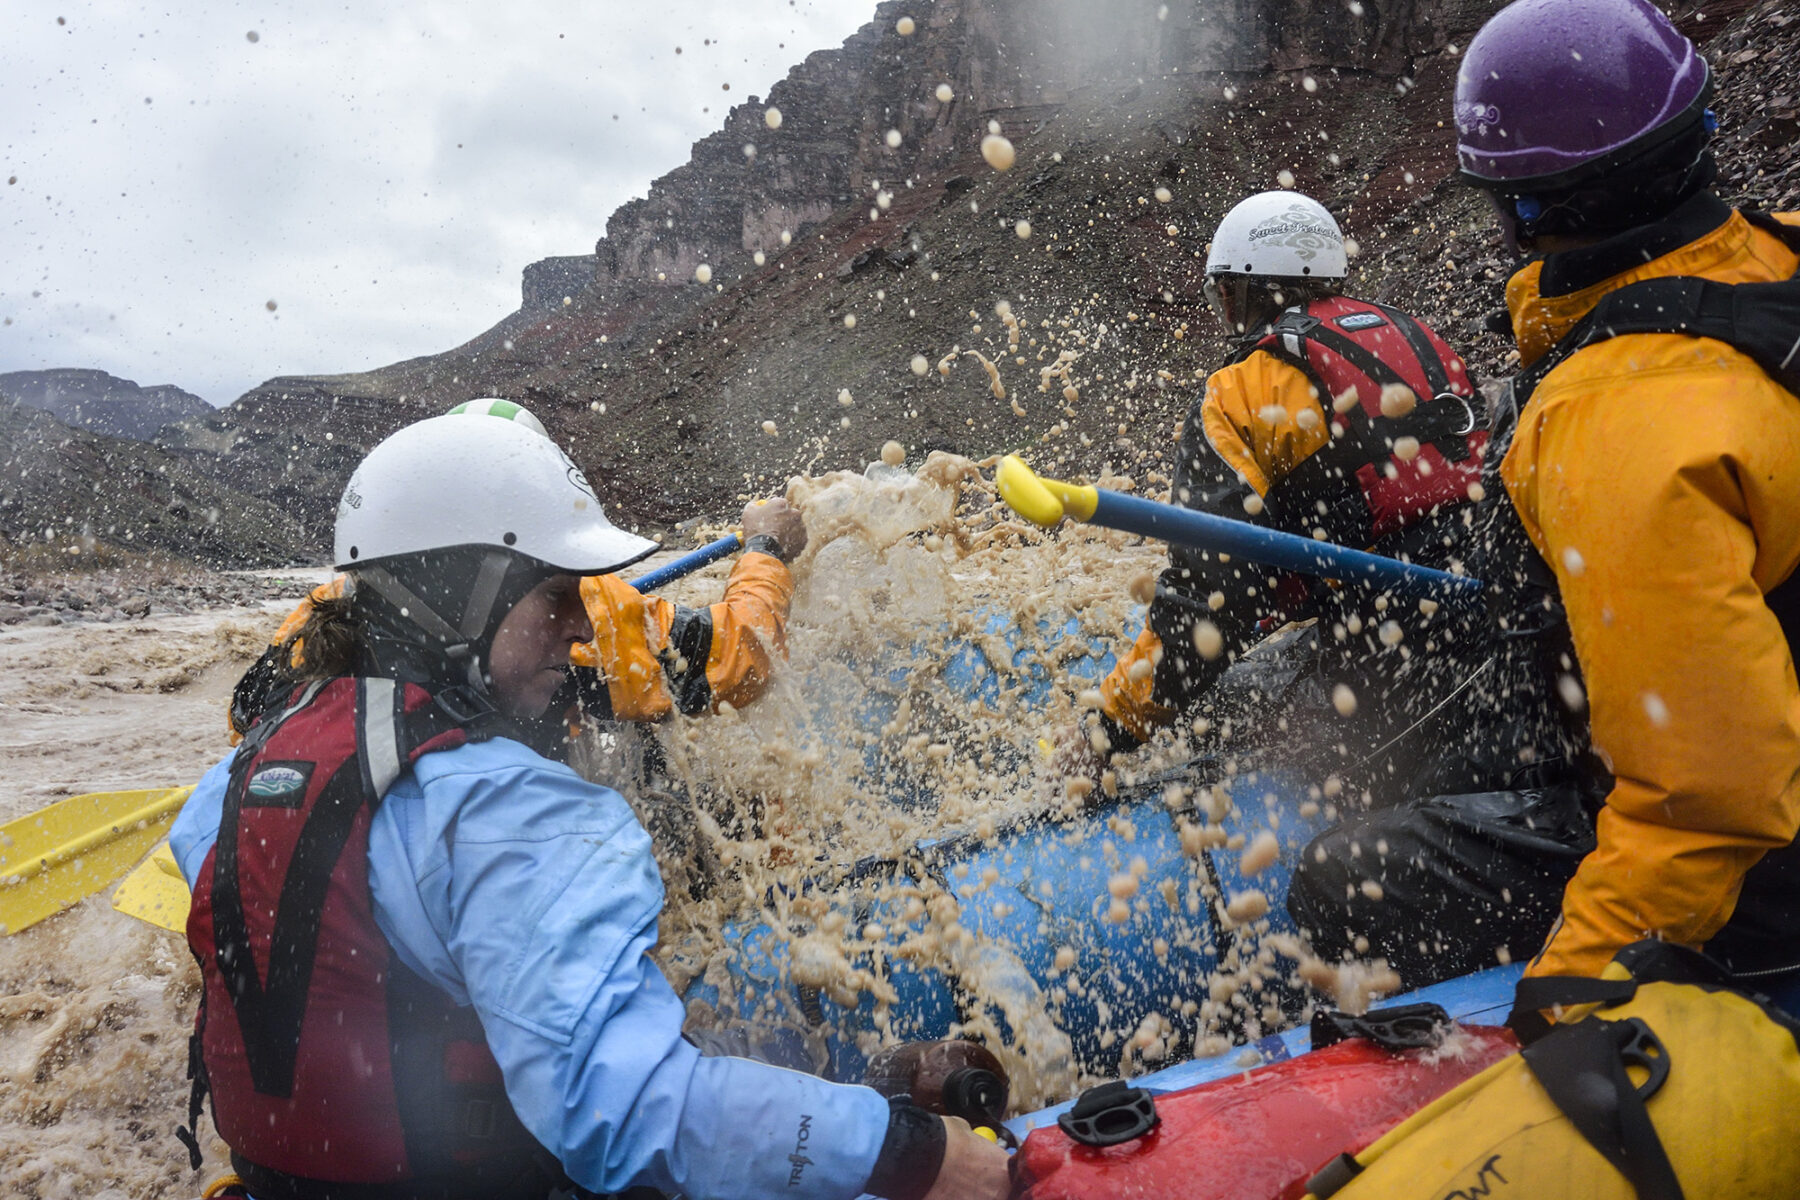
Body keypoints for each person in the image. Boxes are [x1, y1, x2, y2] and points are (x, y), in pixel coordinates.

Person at [167, 414, 1010, 1200]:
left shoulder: (243, 768)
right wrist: (910, 1152)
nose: (580, 628)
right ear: (454, 600)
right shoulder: (518, 816)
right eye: (554, 598)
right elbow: (629, 1116)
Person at [1072, 191, 1598, 986]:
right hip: (1509, 620)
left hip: (1396, 654)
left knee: (1230, 711)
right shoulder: (1419, 341)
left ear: (1246, 290)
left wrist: (1115, 726)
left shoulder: (1243, 390)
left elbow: (1208, 603)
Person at [1452, 0, 1800, 996]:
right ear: (1701, 136)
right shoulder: (1780, 261)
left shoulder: (1609, 419)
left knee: (1348, 878)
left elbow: (1711, 801)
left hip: (1759, 928)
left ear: (1523, 212)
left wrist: (1574, 987)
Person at [229, 399, 807, 745]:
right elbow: (739, 658)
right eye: (557, 593)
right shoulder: (602, 610)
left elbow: (243, 722)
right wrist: (764, 550)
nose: (573, 621)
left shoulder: (327, 610)